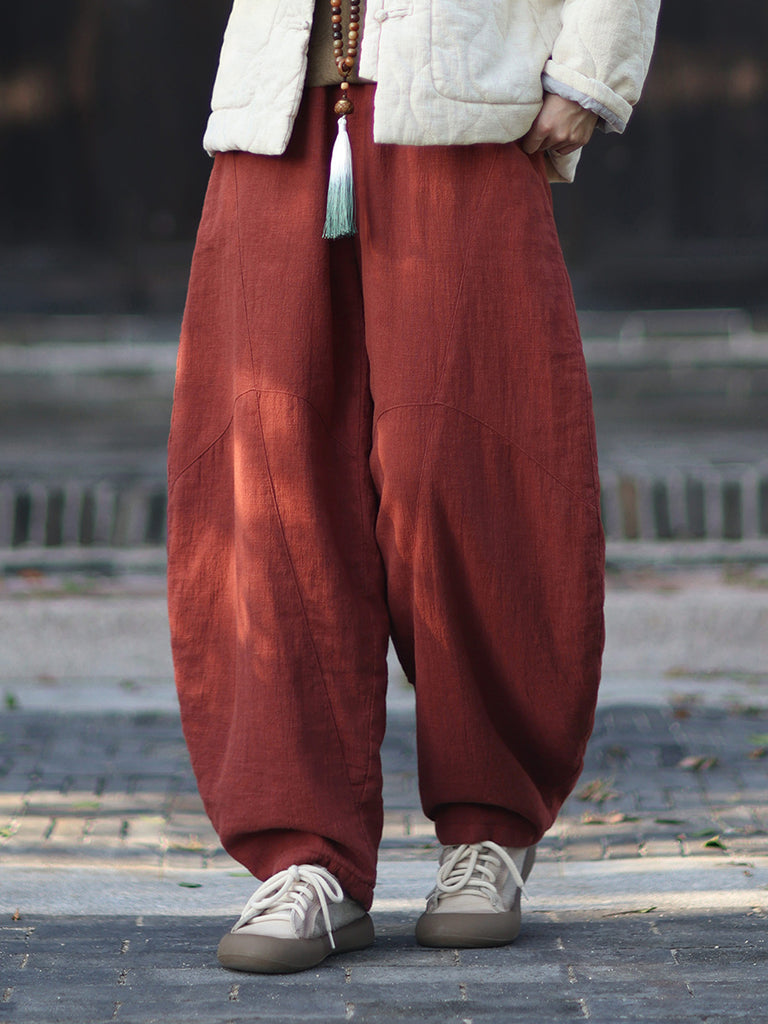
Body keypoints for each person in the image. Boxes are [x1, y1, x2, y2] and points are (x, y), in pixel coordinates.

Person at [167, 0, 660, 974]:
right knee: (274, 480)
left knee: (470, 472)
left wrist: (590, 70)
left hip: (464, 98)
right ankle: (307, 855)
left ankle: (490, 827)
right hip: (279, 107)